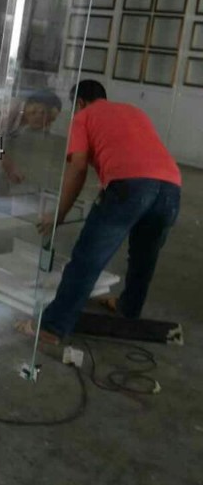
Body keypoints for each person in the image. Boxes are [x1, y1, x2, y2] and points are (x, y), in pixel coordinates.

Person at [19, 79, 181, 344]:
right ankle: (129, 309)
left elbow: (78, 167)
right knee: (144, 257)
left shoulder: (83, 117)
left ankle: (51, 327)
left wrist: (58, 215)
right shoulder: (134, 111)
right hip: (171, 188)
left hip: (130, 187)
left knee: (87, 258)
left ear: (80, 103)